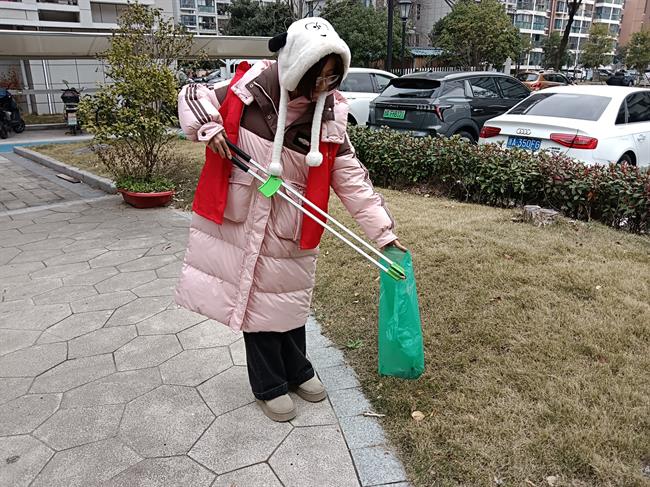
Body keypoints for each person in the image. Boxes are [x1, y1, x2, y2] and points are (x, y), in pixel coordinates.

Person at [175, 17, 405, 422]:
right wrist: (209, 127)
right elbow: (193, 93)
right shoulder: (249, 89)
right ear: (297, 66)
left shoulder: (331, 115)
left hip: (291, 224)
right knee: (255, 304)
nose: (324, 85)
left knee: (289, 303)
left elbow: (351, 178)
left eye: (333, 76)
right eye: (318, 76)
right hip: (241, 219)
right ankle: (269, 385)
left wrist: (383, 234)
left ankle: (298, 370)